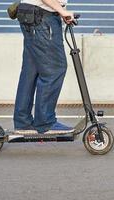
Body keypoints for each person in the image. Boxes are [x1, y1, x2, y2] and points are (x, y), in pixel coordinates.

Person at [13, 0, 74, 134]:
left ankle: (22, 121)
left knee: (31, 71)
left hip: (34, 16)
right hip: (42, 19)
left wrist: (60, 10)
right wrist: (62, 11)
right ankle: (45, 122)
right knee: (54, 69)